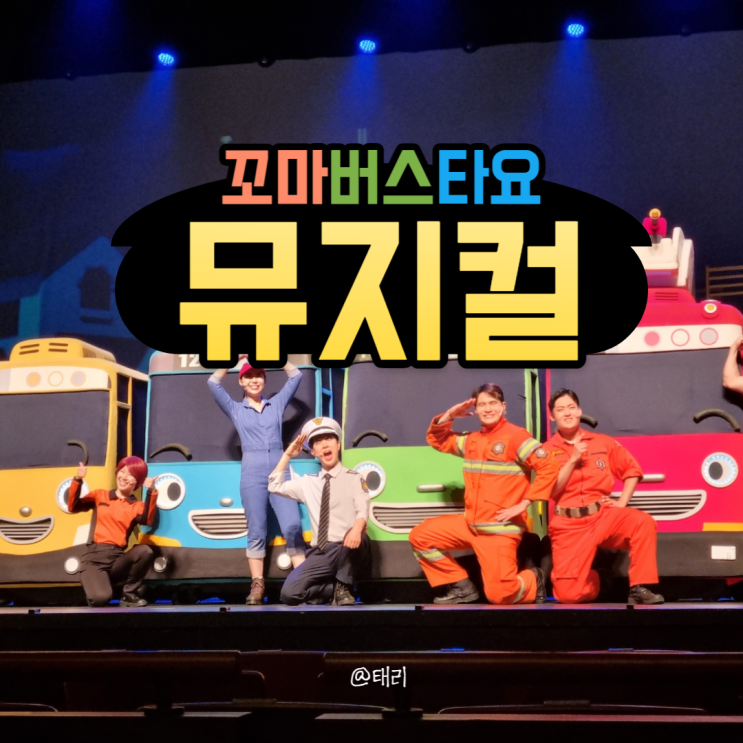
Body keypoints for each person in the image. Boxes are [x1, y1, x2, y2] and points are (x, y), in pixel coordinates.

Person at [409, 383, 559, 605]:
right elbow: (437, 440)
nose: (488, 408)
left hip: (499, 529)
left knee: (500, 595)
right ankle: (461, 587)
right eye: (482, 404)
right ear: (476, 409)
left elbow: (549, 466)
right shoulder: (472, 440)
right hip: (470, 525)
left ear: (503, 406)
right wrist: (450, 415)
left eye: (493, 403)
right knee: (421, 536)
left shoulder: (516, 437)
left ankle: (533, 580)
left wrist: (525, 502)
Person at [538, 389, 664, 605]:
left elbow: (632, 470)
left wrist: (621, 503)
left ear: (579, 411)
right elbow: (551, 491)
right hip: (568, 525)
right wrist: (573, 460)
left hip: (601, 516)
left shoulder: (601, 442)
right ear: (552, 416)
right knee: (568, 595)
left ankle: (639, 587)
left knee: (642, 522)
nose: (567, 413)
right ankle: (602, 578)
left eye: (571, 407)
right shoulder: (546, 450)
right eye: (560, 409)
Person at [208, 355, 307, 605]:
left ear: (264, 379)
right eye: (248, 376)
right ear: (241, 382)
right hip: (252, 473)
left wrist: (274, 356)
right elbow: (213, 383)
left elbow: (296, 375)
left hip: (280, 470)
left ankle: (304, 582)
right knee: (257, 529)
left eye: (258, 376)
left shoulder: (276, 403)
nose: (254, 380)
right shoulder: (235, 409)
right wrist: (234, 359)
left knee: (293, 526)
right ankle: (257, 584)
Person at [268, 417, 370, 606]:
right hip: (321, 552)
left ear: (338, 445)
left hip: (346, 547)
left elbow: (363, 510)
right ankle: (333, 589)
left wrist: (357, 529)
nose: (324, 445)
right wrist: (287, 455)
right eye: (318, 442)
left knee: (359, 535)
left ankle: (343, 586)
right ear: (314, 452)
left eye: (329, 439)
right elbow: (274, 485)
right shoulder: (308, 482)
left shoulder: (354, 478)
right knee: (289, 594)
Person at [69, 457, 158, 608]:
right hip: (94, 559)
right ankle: (99, 585)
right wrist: (78, 479)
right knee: (101, 599)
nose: (124, 477)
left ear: (137, 481)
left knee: (145, 551)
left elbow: (147, 519)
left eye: (130, 474)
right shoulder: (100, 495)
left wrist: (151, 491)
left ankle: (129, 594)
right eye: (122, 471)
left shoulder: (136, 506)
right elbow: (73, 506)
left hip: (118, 560)